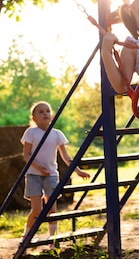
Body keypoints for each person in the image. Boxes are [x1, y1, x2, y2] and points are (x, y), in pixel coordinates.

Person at [21, 101, 90, 244]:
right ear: (33, 118)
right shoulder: (31, 133)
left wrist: (77, 170)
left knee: (52, 210)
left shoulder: (57, 134)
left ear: (52, 116)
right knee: (37, 210)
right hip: (34, 175)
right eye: (40, 112)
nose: (45, 113)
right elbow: (26, 155)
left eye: (47, 111)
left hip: (51, 175)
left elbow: (65, 156)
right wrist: (39, 168)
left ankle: (53, 239)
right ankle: (27, 235)